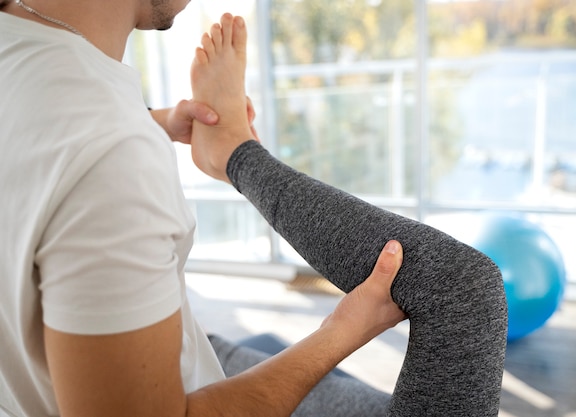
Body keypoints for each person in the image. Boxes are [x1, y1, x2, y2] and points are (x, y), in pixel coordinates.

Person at [0, 2, 507, 417]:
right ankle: (237, 156)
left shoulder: (25, 56)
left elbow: (43, 153)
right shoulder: (111, 149)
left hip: (140, 362)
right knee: (461, 290)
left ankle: (234, 153)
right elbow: (97, 160)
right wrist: (338, 334)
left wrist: (154, 122)